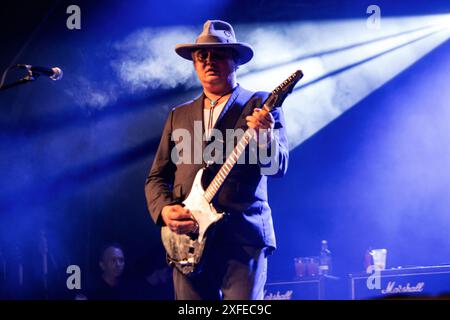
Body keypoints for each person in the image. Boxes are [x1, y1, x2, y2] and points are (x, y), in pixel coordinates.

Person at [145, 20, 289, 300]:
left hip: (242, 238)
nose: (209, 61)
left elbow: (278, 167)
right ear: (195, 64)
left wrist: (264, 137)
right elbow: (156, 177)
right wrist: (164, 210)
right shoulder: (179, 115)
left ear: (235, 60)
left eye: (219, 54)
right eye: (202, 56)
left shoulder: (260, 105)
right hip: (188, 241)